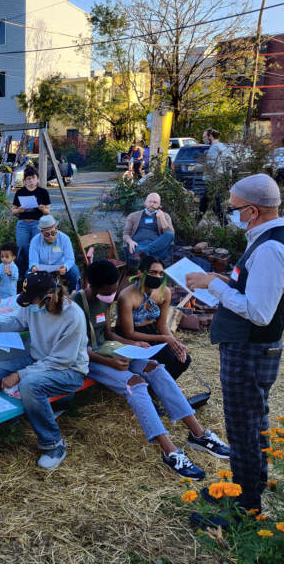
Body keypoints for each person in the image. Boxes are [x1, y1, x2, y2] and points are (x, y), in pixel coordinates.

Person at [73, 261, 229, 479]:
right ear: (93, 286)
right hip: (89, 359)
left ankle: (199, 434)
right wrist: (109, 362)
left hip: (110, 350)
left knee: (155, 368)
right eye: (108, 292)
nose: (111, 296)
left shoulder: (104, 300)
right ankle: (171, 451)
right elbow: (75, 349)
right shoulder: (74, 306)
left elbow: (108, 334)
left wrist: (131, 346)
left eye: (113, 290)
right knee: (134, 384)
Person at [186, 173, 284, 512]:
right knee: (255, 419)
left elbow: (259, 312)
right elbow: (254, 287)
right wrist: (222, 279)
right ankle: (256, 482)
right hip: (251, 348)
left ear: (253, 211)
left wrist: (213, 285)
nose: (231, 213)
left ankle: (246, 505)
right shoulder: (268, 239)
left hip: (250, 349)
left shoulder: (271, 248)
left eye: (234, 208)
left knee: (243, 427)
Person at [0, 272, 88, 469]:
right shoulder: (31, 305)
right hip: (38, 359)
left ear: (49, 295)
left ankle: (54, 443)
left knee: (29, 385)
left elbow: (61, 360)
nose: (28, 304)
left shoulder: (73, 316)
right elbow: (19, 322)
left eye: (32, 300)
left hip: (69, 369)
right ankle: (7, 427)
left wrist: (20, 374)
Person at [116, 255, 190, 380]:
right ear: (140, 273)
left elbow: (161, 325)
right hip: (131, 336)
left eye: (161, 274)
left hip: (152, 332)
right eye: (153, 272)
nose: (157, 277)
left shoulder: (164, 292)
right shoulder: (126, 296)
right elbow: (128, 333)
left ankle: (160, 388)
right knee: (162, 360)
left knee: (184, 359)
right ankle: (152, 387)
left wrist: (173, 341)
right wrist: (164, 338)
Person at [12, 165, 50, 281]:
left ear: (37, 179)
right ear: (24, 181)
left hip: (37, 224)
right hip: (23, 224)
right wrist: (19, 210)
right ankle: (22, 275)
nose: (31, 181)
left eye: (33, 178)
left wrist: (42, 208)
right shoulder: (20, 192)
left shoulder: (43, 192)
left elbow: (47, 212)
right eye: (28, 179)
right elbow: (13, 211)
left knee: (36, 248)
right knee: (22, 248)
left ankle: (36, 273)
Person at [28, 215, 80, 292]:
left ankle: (73, 292)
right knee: (28, 274)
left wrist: (65, 267)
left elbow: (70, 259)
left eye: (53, 233)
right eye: (47, 234)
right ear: (41, 232)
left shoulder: (65, 238)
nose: (51, 236)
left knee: (74, 271)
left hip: (60, 267)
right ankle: (36, 296)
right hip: (42, 269)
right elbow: (33, 260)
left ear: (56, 229)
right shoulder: (35, 241)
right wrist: (34, 267)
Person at [122, 193, 175, 263]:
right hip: (138, 245)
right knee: (139, 250)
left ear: (159, 205)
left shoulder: (165, 216)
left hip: (157, 247)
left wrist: (162, 218)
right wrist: (130, 241)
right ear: (145, 203)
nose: (152, 204)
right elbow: (125, 234)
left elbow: (170, 234)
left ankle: (144, 253)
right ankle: (144, 253)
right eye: (149, 201)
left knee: (170, 234)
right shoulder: (133, 216)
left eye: (155, 202)